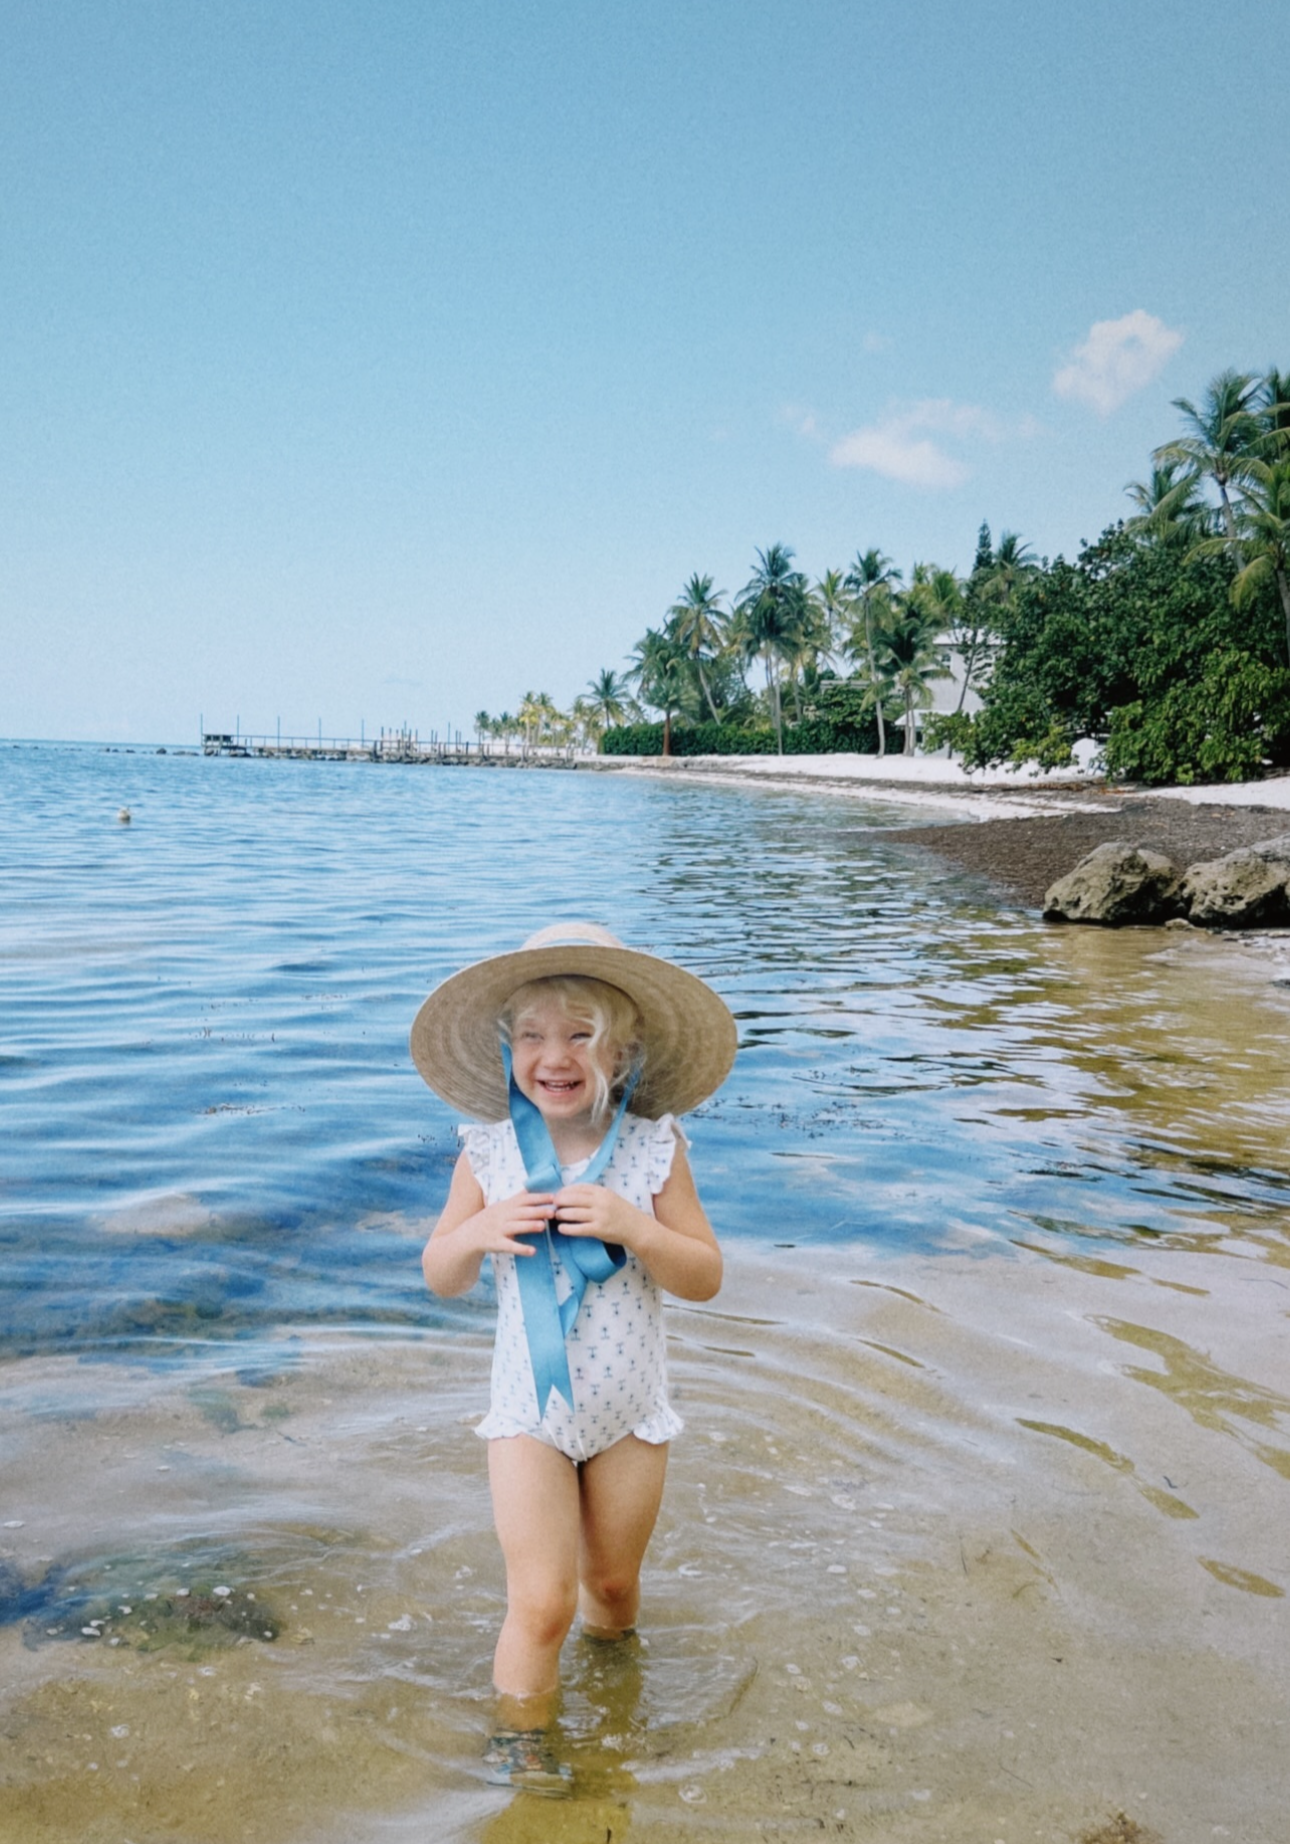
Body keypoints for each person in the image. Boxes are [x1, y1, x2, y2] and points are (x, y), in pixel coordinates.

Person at [412, 922, 737, 1792]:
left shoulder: (653, 1148)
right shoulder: (488, 1151)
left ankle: (616, 1686)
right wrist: (478, 1231)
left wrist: (636, 1226)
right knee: (543, 1600)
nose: (553, 1055)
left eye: (580, 1035)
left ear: (622, 1052)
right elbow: (440, 1273)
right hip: (530, 1417)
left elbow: (704, 1275)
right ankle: (523, 1761)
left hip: (630, 1415)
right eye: (532, 1035)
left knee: (615, 1589)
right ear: (508, 1047)